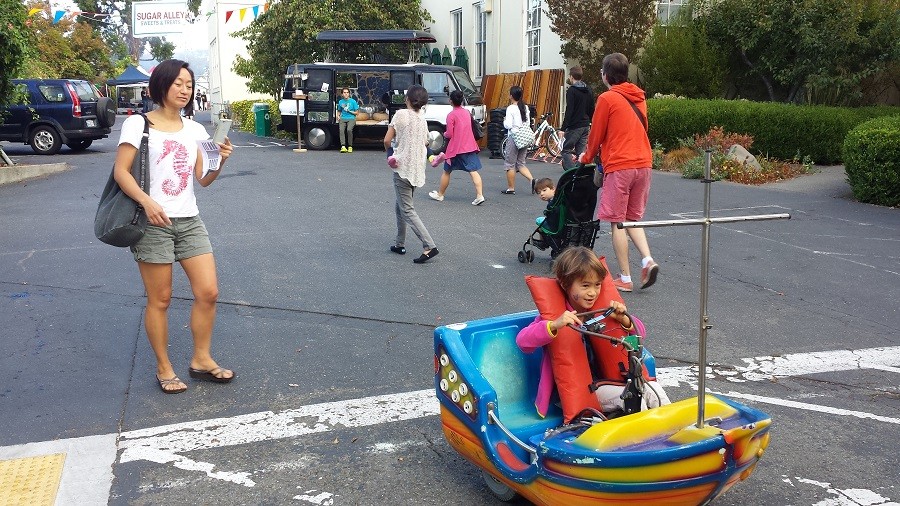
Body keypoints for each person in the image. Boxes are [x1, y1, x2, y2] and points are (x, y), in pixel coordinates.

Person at [113, 59, 234, 394]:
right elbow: (121, 171)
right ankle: (164, 368)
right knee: (161, 299)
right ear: (161, 86)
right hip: (152, 222)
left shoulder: (197, 130)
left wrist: (220, 160)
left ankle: (201, 360)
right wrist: (147, 202)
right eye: (179, 83)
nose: (185, 90)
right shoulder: (138, 124)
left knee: (209, 292)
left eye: (190, 84)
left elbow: (204, 179)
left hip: (189, 220)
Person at [516, 246, 670, 416]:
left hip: (614, 381)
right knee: (634, 398)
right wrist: (553, 325)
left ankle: (675, 431)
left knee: (654, 389)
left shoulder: (604, 310)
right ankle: (643, 440)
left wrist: (624, 319)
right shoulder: (555, 318)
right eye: (585, 286)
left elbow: (641, 333)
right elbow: (523, 342)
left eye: (597, 285)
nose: (592, 292)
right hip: (580, 391)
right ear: (565, 284)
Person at [579, 53, 659, 292]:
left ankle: (625, 278)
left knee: (617, 222)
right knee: (633, 218)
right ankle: (648, 260)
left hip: (621, 164)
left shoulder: (607, 99)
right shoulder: (639, 98)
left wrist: (585, 157)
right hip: (643, 163)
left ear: (605, 75)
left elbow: (596, 136)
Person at [383, 85, 439, 264]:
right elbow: (425, 143)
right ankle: (400, 243)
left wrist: (390, 153)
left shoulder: (400, 115)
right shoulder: (422, 120)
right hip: (416, 170)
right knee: (400, 206)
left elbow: (386, 140)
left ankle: (429, 245)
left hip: (402, 168)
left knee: (407, 210)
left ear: (407, 99)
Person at [427, 90, 485, 206]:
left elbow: (449, 134)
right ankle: (479, 195)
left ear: (450, 101)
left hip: (455, 148)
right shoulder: (467, 112)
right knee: (473, 171)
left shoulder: (451, 115)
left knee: (447, 171)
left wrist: (443, 135)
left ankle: (440, 194)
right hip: (469, 146)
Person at [557, 65, 594, 169]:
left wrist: (563, 128)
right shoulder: (588, 89)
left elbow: (569, 110)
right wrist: (591, 121)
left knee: (566, 150)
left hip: (574, 125)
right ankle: (579, 174)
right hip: (586, 125)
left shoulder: (572, 91)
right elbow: (592, 108)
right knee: (581, 152)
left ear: (571, 77)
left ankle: (571, 173)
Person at [502, 86, 535, 195]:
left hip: (514, 137)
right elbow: (527, 122)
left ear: (511, 96)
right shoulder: (525, 107)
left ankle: (511, 188)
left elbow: (508, 125)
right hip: (524, 137)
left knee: (510, 164)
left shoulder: (511, 108)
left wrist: (504, 121)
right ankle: (532, 180)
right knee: (521, 163)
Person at [337, 88, 359, 153]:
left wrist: (349, 111)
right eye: (344, 92)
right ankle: (343, 146)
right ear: (342, 94)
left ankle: (350, 146)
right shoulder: (340, 102)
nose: (346, 94)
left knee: (349, 130)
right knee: (341, 130)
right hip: (343, 118)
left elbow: (357, 113)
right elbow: (339, 110)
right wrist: (338, 116)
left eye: (347, 92)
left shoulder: (353, 101)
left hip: (351, 118)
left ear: (349, 94)